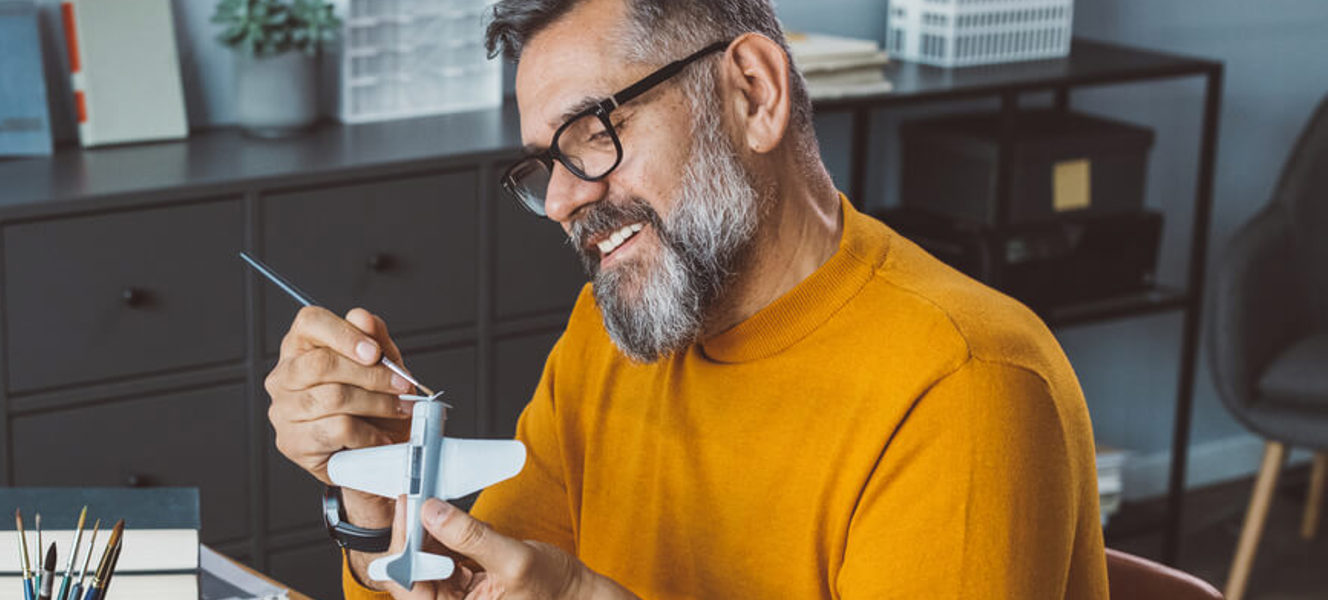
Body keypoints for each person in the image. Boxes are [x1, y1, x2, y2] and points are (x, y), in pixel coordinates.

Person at [263, 0, 1109, 597]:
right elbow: (479, 588)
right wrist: (383, 512)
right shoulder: (614, 326)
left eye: (593, 133)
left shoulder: (964, 387)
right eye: (543, 164)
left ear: (754, 91)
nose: (560, 202)